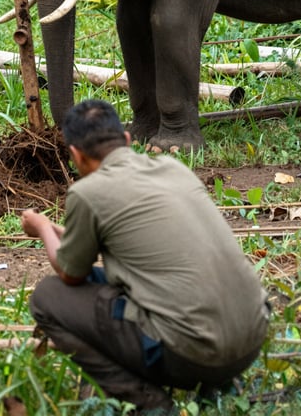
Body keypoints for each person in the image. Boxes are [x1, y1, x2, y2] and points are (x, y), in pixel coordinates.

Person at [21, 99, 270, 415]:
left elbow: (71, 273)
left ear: (75, 155)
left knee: (48, 298)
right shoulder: (173, 168)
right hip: (251, 339)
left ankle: (146, 401)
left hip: (192, 354)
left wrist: (42, 226)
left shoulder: (88, 192)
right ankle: (219, 386)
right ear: (126, 140)